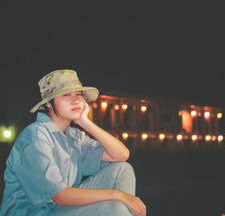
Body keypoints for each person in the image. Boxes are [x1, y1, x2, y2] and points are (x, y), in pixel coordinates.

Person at [0, 69, 146, 216]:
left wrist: (85, 122)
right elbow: (60, 196)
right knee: (116, 208)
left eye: (78, 94)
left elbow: (121, 155)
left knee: (122, 169)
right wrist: (117, 195)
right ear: (49, 104)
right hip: (34, 213)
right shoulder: (35, 136)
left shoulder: (73, 136)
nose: (75, 100)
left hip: (60, 210)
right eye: (66, 95)